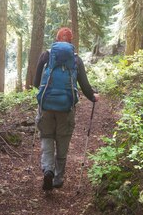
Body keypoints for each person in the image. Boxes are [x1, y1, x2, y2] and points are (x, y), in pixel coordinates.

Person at [33, 27, 99, 191]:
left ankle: (48, 169)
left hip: (46, 106)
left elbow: (35, 83)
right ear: (71, 41)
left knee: (47, 137)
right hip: (66, 108)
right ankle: (58, 177)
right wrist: (93, 97)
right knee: (63, 140)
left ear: (56, 39)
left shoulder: (46, 55)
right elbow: (84, 85)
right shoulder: (75, 59)